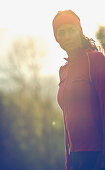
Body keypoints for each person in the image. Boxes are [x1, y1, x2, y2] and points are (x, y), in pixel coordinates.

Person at [52, 10, 105, 170]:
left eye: (71, 30)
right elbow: (67, 118)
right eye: (62, 32)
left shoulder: (95, 60)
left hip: (97, 154)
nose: (67, 36)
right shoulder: (64, 70)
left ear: (80, 31)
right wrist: (69, 161)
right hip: (76, 157)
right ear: (57, 38)